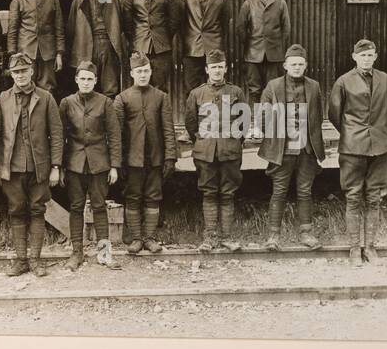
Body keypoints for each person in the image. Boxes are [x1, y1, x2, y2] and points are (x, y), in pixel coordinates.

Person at [0, 52, 63, 277]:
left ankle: (36, 261)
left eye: (24, 71)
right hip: (11, 168)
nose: (20, 75)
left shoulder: (46, 98)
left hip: (39, 167)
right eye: (15, 72)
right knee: (17, 211)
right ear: (11, 74)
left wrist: (56, 166)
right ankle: (21, 261)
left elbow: (57, 134)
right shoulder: (3, 98)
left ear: (32, 71)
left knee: (38, 210)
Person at [328, 38, 387, 266]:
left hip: (380, 147)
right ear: (354, 57)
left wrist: (376, 133)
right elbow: (335, 115)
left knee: (374, 198)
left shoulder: (386, 80)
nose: (366, 59)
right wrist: (351, 134)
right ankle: (354, 249)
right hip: (352, 149)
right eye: (362, 55)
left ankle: (371, 248)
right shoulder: (343, 82)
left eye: (370, 55)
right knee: (353, 197)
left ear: (375, 56)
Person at [257, 44, 326, 251]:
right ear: (285, 65)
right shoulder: (273, 86)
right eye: (293, 64)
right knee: (279, 191)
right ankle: (273, 237)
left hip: (306, 150)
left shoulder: (314, 86)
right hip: (282, 150)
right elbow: (263, 117)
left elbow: (318, 117)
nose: (297, 67)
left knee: (305, 192)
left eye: (300, 64)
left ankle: (306, 234)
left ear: (305, 66)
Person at [59, 61, 123, 271]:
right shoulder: (67, 103)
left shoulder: (105, 102)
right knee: (76, 207)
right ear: (76, 80)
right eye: (82, 78)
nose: (86, 83)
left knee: (99, 206)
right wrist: (59, 166)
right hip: (75, 164)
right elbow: (60, 137)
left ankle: (104, 253)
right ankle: (77, 252)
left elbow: (114, 136)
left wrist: (114, 166)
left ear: (95, 81)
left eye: (90, 79)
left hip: (99, 163)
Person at [113, 51, 176, 254]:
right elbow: (117, 133)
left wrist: (170, 157)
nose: (143, 75)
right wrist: (118, 161)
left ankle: (149, 238)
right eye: (139, 71)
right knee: (132, 197)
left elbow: (168, 129)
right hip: (133, 159)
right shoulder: (122, 98)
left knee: (153, 197)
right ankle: (136, 239)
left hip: (155, 158)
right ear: (132, 73)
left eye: (146, 71)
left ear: (151, 72)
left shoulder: (161, 97)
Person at [184, 49, 247, 252]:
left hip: (230, 151)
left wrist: (234, 143)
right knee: (209, 192)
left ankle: (227, 237)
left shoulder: (236, 92)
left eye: (220, 66)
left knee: (228, 193)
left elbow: (243, 123)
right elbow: (191, 123)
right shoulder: (197, 93)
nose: (217, 70)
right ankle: (210, 237)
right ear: (206, 69)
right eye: (213, 67)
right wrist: (203, 142)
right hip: (205, 152)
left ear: (226, 68)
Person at [7, 0, 65, 91]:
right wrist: (12, 54)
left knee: (48, 88)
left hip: (48, 52)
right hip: (25, 51)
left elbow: (59, 29)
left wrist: (59, 54)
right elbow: (13, 29)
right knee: (25, 86)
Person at [122, 0, 180, 93]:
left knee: (160, 88)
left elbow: (174, 20)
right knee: (139, 87)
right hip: (139, 47)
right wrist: (136, 39)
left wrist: (163, 36)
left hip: (162, 48)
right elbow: (127, 22)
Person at [236, 0, 292, 107]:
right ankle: (256, 124)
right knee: (254, 90)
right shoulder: (249, 3)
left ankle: (272, 124)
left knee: (274, 89)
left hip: (274, 55)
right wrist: (249, 46)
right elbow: (241, 28)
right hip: (253, 55)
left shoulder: (280, 3)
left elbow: (286, 29)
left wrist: (279, 48)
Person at [67, 0, 125, 98]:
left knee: (110, 87)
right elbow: (71, 29)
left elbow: (124, 25)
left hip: (108, 46)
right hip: (85, 45)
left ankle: (110, 116)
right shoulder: (78, 0)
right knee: (86, 84)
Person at [179, 0, 233, 95]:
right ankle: (193, 117)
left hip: (214, 48)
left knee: (216, 87)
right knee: (191, 89)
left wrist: (219, 43)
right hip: (192, 49)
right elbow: (181, 24)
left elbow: (225, 23)